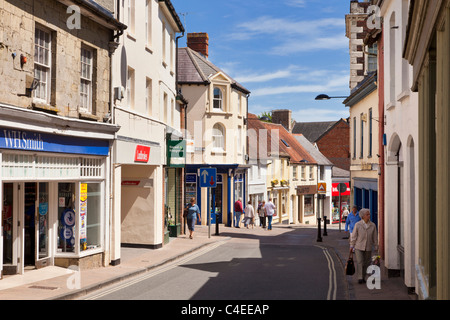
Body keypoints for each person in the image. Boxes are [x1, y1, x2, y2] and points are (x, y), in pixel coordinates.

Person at [350, 208, 378, 284]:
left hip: (368, 247)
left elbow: (375, 237)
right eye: (367, 214)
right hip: (358, 246)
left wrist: (376, 246)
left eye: (369, 214)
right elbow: (354, 236)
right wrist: (352, 246)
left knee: (366, 263)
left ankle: (363, 276)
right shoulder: (358, 224)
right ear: (362, 216)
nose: (369, 215)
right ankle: (360, 277)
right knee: (360, 262)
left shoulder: (372, 225)